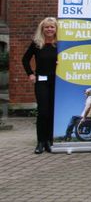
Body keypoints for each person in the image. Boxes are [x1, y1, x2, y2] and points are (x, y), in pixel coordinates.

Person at [22, 17, 58, 154]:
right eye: (47, 27)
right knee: (43, 111)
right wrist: (30, 74)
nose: (49, 29)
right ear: (42, 29)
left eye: (52, 27)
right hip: (41, 81)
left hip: (56, 81)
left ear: (56, 29)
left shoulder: (60, 44)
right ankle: (40, 142)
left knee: (52, 111)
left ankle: (49, 141)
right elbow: (25, 59)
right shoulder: (37, 44)